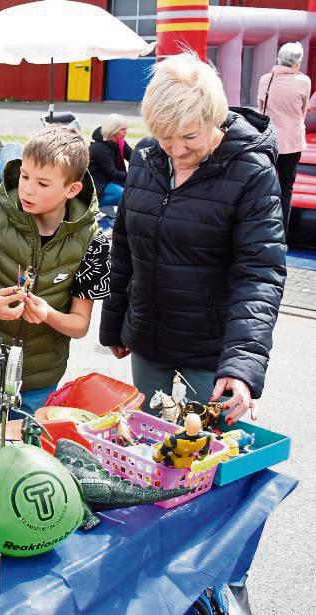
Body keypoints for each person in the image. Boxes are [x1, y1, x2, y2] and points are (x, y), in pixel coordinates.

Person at [101, 53, 286, 423]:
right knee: (144, 447)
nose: (178, 149)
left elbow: (260, 273)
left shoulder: (252, 171)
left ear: (213, 118)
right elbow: (124, 247)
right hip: (148, 341)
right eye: (166, 137)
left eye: (189, 136)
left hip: (212, 353)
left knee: (207, 455)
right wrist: (116, 324)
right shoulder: (146, 156)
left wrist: (242, 363)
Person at [0, 126, 110, 430]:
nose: (27, 189)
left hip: (40, 380)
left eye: (42, 183)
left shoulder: (94, 242)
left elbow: (79, 325)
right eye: (25, 176)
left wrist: (49, 315)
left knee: (24, 466)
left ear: (72, 189)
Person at [259, 41, 310, 236]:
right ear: (297, 63)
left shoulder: (266, 79)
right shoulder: (304, 81)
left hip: (269, 141)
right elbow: (302, 111)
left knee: (264, 187)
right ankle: (282, 235)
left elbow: (261, 109)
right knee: (286, 189)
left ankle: (261, 230)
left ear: (278, 58)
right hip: (292, 142)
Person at [88, 113, 133, 212]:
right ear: (113, 130)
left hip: (110, 180)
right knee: (122, 195)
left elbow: (133, 157)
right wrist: (134, 176)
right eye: (123, 129)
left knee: (133, 190)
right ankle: (92, 206)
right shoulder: (99, 148)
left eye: (126, 129)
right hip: (98, 183)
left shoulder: (120, 142)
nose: (126, 132)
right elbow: (113, 173)